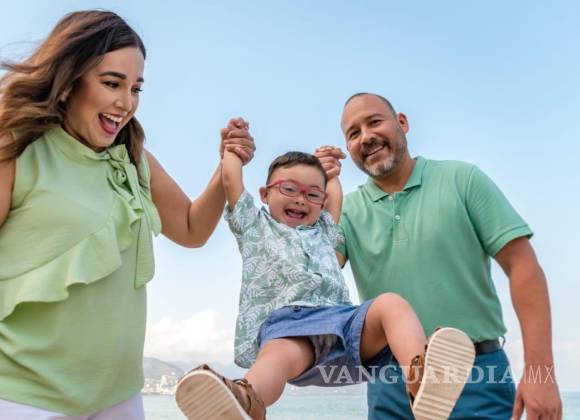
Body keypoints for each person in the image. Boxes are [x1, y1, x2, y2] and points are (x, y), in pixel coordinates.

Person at [0, 11, 254, 419]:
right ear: (68, 81)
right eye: (112, 83)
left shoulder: (134, 159)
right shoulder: (15, 147)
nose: (126, 102)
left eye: (136, 88)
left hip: (118, 396)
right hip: (21, 396)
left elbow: (191, 229)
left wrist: (226, 164)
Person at [174, 127, 477, 420]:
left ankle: (421, 380)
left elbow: (334, 199)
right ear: (265, 194)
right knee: (277, 356)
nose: (300, 199)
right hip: (290, 328)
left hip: (342, 327)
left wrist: (330, 175)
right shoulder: (255, 225)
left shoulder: (324, 231)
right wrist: (233, 151)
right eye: (289, 189)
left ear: (321, 203)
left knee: (391, 304)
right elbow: (231, 183)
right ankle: (245, 401)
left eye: (312, 195)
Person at [315, 92, 563, 419]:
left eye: (374, 122)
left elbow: (522, 266)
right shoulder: (345, 211)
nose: (366, 136)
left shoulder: (463, 180)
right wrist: (318, 194)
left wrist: (540, 372)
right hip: (389, 384)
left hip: (478, 377)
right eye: (353, 133)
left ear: (402, 123)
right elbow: (316, 274)